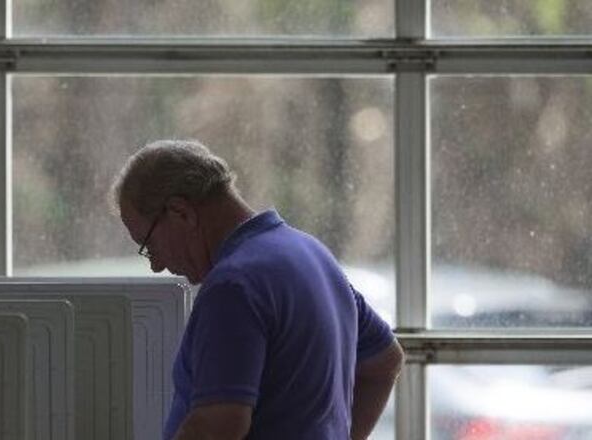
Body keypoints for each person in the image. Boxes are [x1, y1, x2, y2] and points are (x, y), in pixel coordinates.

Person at [111, 139, 404, 440]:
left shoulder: (233, 287)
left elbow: (217, 426)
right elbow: (385, 360)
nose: (156, 265)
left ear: (180, 212)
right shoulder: (313, 254)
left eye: (149, 245)